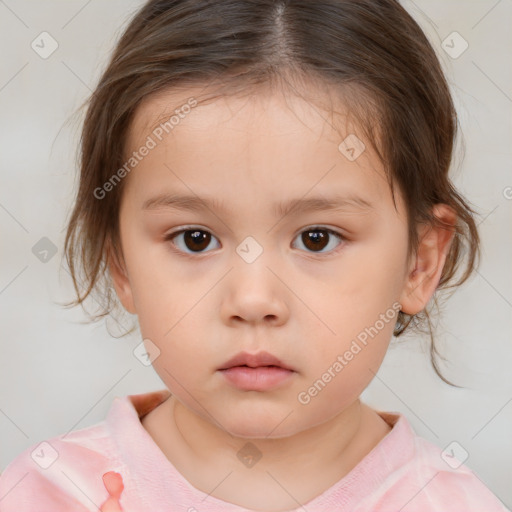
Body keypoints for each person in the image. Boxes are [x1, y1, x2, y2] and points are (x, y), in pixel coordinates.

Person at [0, 0, 509, 510]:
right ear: (121, 263)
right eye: (195, 239)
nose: (252, 299)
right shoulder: (51, 493)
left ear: (418, 263)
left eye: (317, 238)